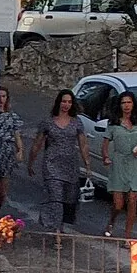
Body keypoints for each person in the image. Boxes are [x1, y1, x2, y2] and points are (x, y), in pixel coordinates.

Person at [29, 88, 92, 232]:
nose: (66, 105)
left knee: (68, 199)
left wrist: (87, 165)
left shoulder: (77, 122)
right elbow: (37, 144)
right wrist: (31, 162)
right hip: (52, 165)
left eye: (69, 102)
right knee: (55, 197)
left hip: (70, 165)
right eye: (64, 101)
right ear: (59, 102)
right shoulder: (48, 122)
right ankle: (56, 230)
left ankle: (61, 225)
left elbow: (83, 144)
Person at [102, 90, 137, 238]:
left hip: (134, 163)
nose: (126, 106)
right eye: (123, 103)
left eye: (129, 102)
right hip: (119, 163)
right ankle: (112, 221)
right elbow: (105, 142)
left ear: (133, 104)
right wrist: (105, 157)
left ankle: (127, 236)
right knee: (118, 204)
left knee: (133, 200)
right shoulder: (114, 123)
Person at [0, 87, 25, 215]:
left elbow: (17, 135)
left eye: (3, 96)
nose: (0, 100)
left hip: (7, 154)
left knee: (3, 192)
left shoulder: (12, 117)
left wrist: (20, 151)